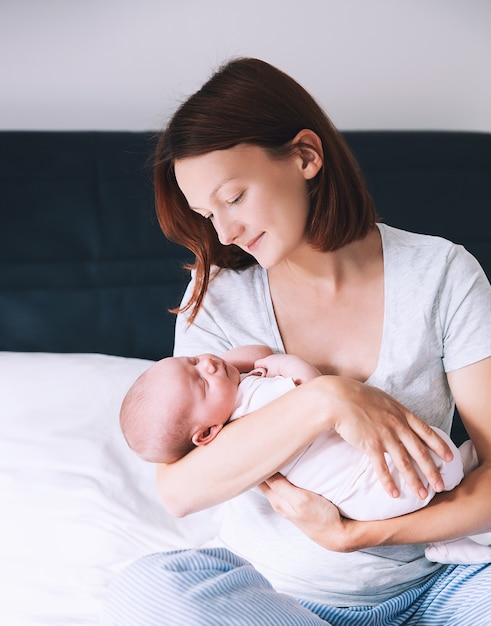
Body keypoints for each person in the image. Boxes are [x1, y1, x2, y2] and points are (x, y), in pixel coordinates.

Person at [103, 58, 491, 625]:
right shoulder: (218, 298)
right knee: (146, 590)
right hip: (273, 598)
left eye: (234, 198)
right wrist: (327, 399)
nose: (225, 232)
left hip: (435, 589)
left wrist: (356, 536)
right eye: (208, 214)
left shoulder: (441, 275)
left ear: (306, 156)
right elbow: (182, 490)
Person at [120, 346, 491, 566]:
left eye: (193, 360)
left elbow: (255, 355)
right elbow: (318, 393)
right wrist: (291, 369)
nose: (208, 364)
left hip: (369, 507)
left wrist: (229, 366)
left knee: (438, 472)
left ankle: (448, 537)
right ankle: (451, 534)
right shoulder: (252, 411)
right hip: (366, 487)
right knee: (441, 464)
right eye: (201, 380)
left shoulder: (229, 407)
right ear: (204, 434)